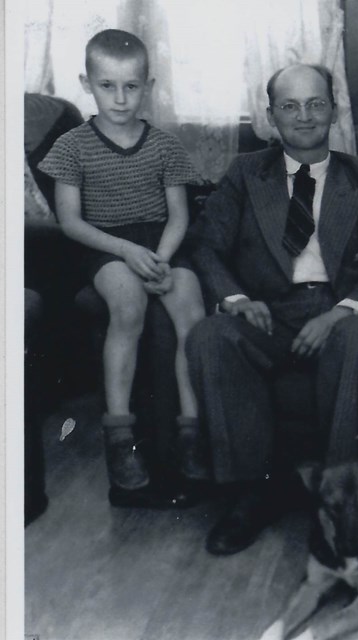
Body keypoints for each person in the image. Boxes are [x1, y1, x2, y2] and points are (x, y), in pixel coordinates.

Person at [186, 63, 358, 556]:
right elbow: (205, 247)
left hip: (339, 309)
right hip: (268, 311)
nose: (303, 117)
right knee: (210, 337)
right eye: (289, 105)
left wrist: (341, 312)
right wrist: (238, 301)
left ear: (334, 108)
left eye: (315, 103)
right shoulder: (245, 173)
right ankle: (252, 493)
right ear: (270, 116)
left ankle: (338, 502)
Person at [38, 29, 206, 509]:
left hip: (162, 243)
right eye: (107, 85)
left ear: (147, 86)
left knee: (189, 311)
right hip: (104, 245)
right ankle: (120, 439)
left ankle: (190, 433)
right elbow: (70, 222)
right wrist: (126, 252)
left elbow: (179, 216)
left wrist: (164, 258)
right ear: (86, 83)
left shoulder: (165, 146)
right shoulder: (72, 147)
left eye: (131, 86)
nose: (120, 98)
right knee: (128, 308)